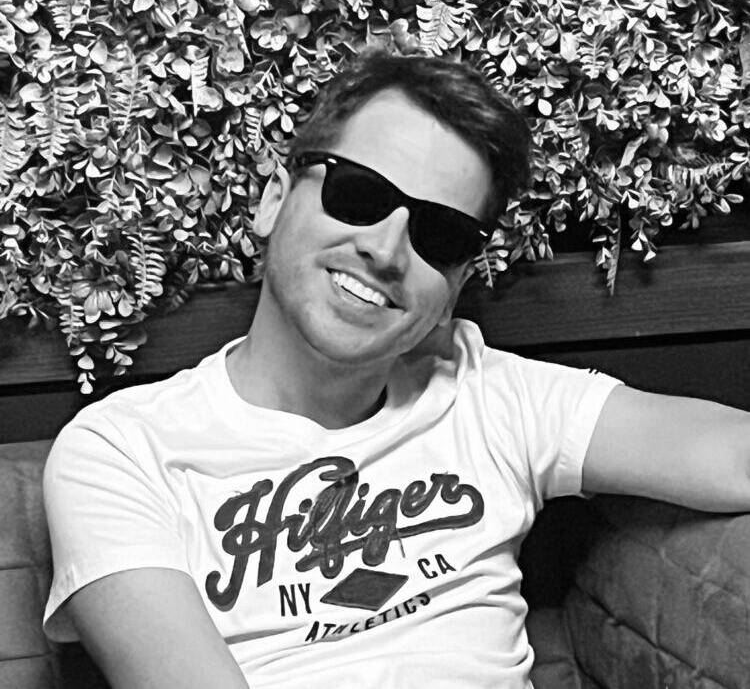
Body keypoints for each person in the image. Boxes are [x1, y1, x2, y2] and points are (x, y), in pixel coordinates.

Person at [42, 50, 750, 689]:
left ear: (458, 281)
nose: (385, 250)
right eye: (358, 193)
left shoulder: (487, 394)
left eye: (438, 233)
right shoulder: (121, 450)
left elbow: (732, 455)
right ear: (272, 200)